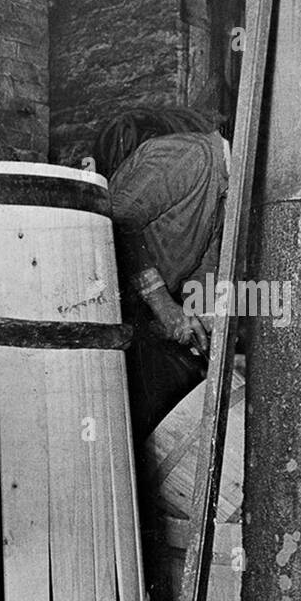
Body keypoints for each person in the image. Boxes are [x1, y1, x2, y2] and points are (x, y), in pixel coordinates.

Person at [95, 107, 230, 439]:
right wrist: (164, 306)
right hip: (108, 304)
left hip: (140, 317)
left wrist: (207, 315)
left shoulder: (224, 187)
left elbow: (203, 263)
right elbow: (114, 223)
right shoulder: (189, 156)